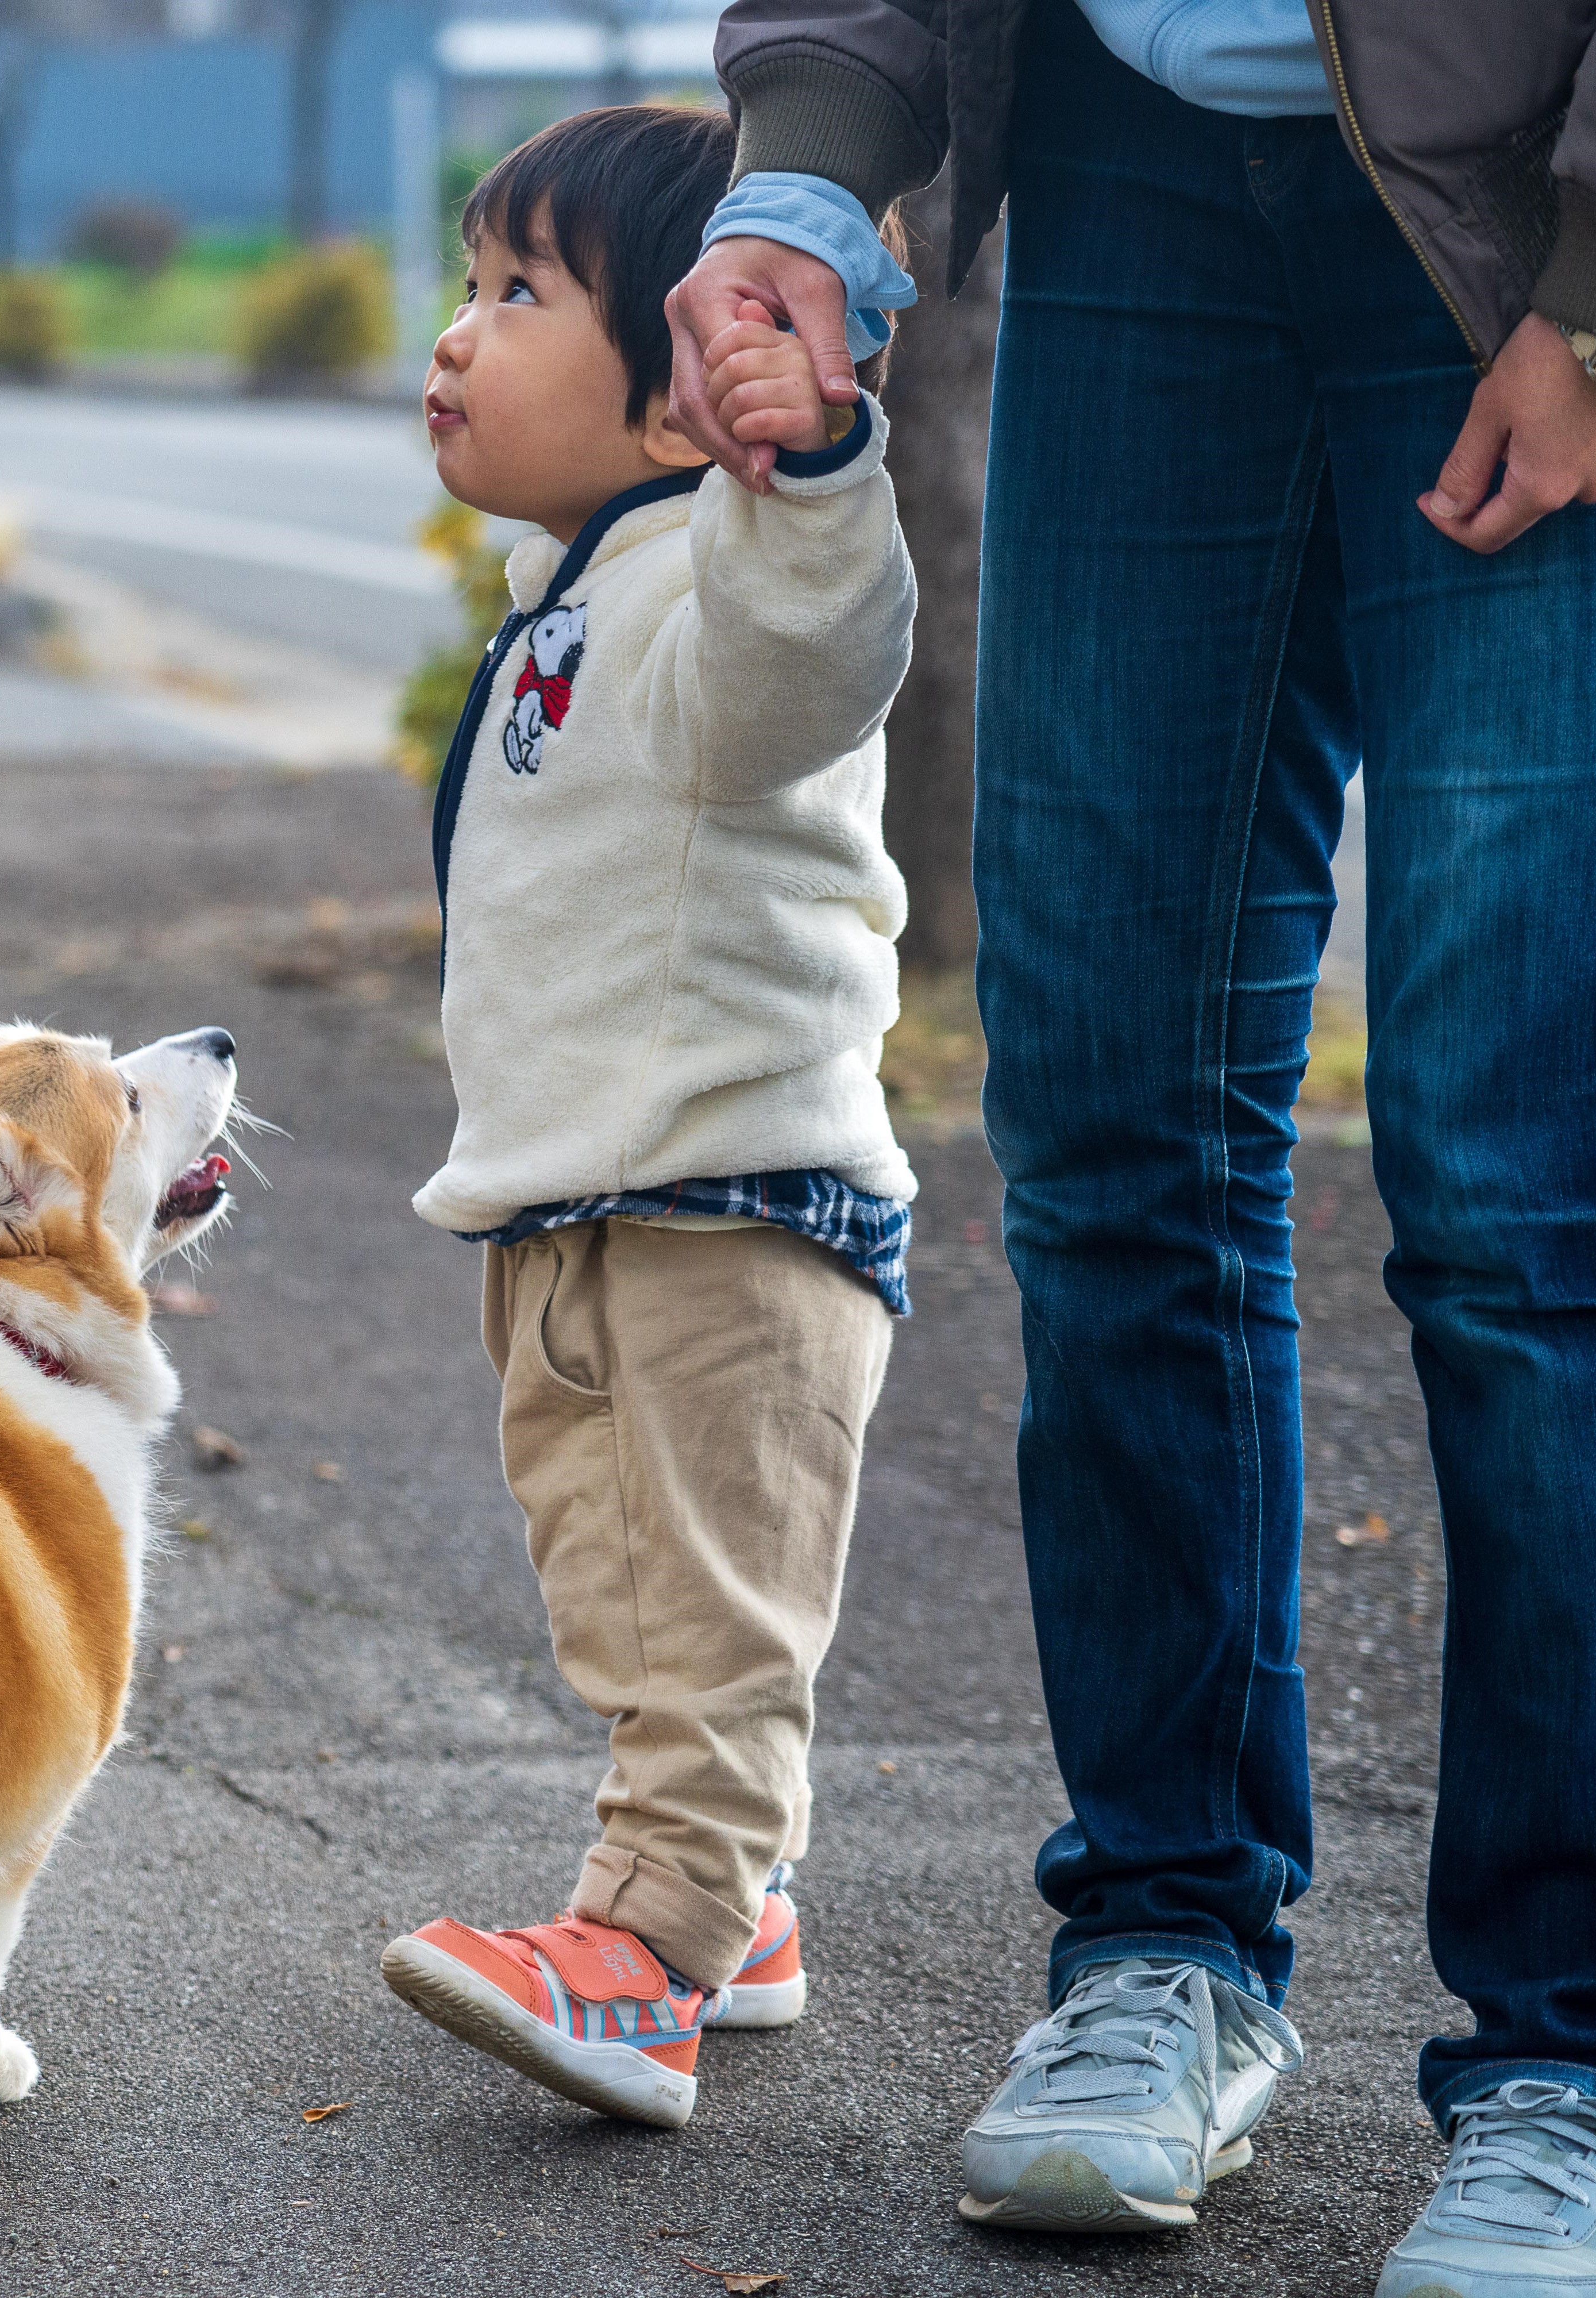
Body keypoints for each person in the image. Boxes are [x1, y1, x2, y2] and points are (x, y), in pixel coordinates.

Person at [665, 2, 1596, 2286]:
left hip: (1510, 212)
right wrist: (805, 161)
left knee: (1509, 1190)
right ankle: (1161, 1946)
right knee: (1107, 1125)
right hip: (1121, 170)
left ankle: (1558, 2059)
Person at [373, 103, 916, 2133]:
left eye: (522, 294)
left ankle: (649, 1953)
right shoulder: (573, 580)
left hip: (733, 1206)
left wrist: (812, 459)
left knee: (708, 1625)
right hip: (572, 1205)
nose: (460, 333)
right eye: (469, 282)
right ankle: (739, 1904)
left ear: (688, 395)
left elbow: (818, 657)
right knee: (623, 1598)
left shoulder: (724, 582)